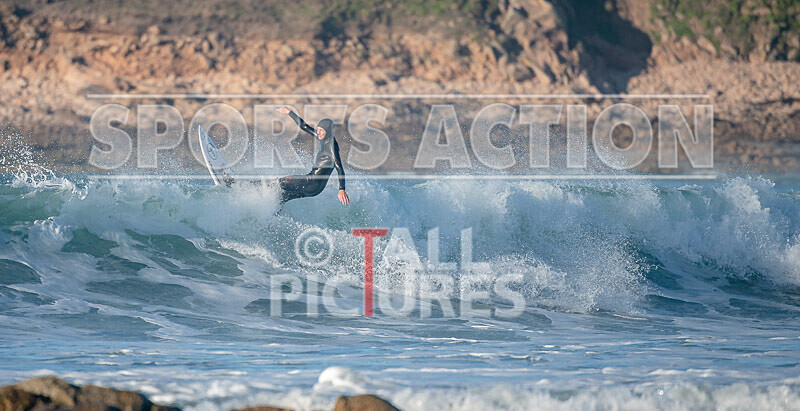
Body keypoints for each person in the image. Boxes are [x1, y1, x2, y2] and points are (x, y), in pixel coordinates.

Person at [274, 106, 350, 205]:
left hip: (311, 182)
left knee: (282, 182)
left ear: (328, 131)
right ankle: (273, 217)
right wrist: (289, 112)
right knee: (282, 197)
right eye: (318, 129)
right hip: (315, 189)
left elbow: (339, 166)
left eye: (321, 130)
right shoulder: (323, 138)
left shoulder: (331, 144)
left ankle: (258, 186)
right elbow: (304, 126)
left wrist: (341, 189)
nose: (318, 132)